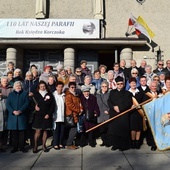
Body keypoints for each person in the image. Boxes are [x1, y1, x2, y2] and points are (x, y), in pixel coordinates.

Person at [107, 76, 133, 151]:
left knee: (122, 130)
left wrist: (120, 108)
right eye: (118, 84)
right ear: (116, 84)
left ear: (123, 84)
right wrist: (114, 107)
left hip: (123, 114)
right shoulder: (112, 92)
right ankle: (115, 145)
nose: (120, 85)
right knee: (114, 130)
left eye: (121, 84)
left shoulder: (128, 93)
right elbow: (109, 101)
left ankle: (123, 146)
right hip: (114, 113)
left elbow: (128, 103)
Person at [32, 81, 55, 153]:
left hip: (46, 115)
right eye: (41, 86)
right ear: (39, 87)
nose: (43, 87)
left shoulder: (49, 95)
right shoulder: (35, 95)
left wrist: (49, 114)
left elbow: (52, 105)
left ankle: (44, 146)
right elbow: (30, 104)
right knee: (38, 131)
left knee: (45, 131)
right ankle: (35, 146)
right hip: (38, 115)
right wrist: (34, 107)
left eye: (44, 86)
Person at [6, 81, 30, 153]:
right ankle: (15, 147)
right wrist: (13, 111)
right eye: (16, 86)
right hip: (13, 117)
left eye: (19, 86)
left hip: (21, 116)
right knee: (14, 134)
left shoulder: (25, 94)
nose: (18, 87)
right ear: (14, 87)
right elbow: (8, 104)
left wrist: (20, 110)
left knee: (22, 133)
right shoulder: (11, 94)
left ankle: (22, 147)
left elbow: (26, 103)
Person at [65, 82, 83, 150]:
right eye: (72, 87)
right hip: (71, 115)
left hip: (76, 114)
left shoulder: (76, 95)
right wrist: (78, 110)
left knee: (74, 129)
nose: (73, 88)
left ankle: (70, 143)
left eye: (74, 87)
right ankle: (69, 144)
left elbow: (80, 103)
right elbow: (70, 105)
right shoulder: (68, 95)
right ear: (69, 88)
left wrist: (81, 109)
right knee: (73, 129)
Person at [128, 78, 143, 149]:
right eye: (131, 83)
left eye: (134, 83)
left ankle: (137, 142)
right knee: (133, 128)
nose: (133, 84)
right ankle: (132, 142)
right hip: (131, 113)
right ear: (129, 84)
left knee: (139, 128)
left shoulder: (140, 92)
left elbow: (142, 102)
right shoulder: (127, 93)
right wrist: (130, 106)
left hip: (139, 112)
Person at [96, 81, 110, 146]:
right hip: (100, 114)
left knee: (107, 129)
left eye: (105, 86)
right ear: (101, 87)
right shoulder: (97, 95)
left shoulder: (110, 94)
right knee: (101, 129)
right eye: (103, 86)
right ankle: (104, 141)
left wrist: (109, 110)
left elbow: (112, 104)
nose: (104, 88)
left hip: (107, 114)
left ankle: (108, 142)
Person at [53, 81, 65, 150]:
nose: (60, 88)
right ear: (56, 87)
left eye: (61, 87)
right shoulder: (53, 95)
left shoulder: (63, 95)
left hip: (62, 116)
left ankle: (60, 143)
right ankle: (55, 143)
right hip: (56, 116)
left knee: (62, 131)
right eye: (59, 87)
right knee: (56, 131)